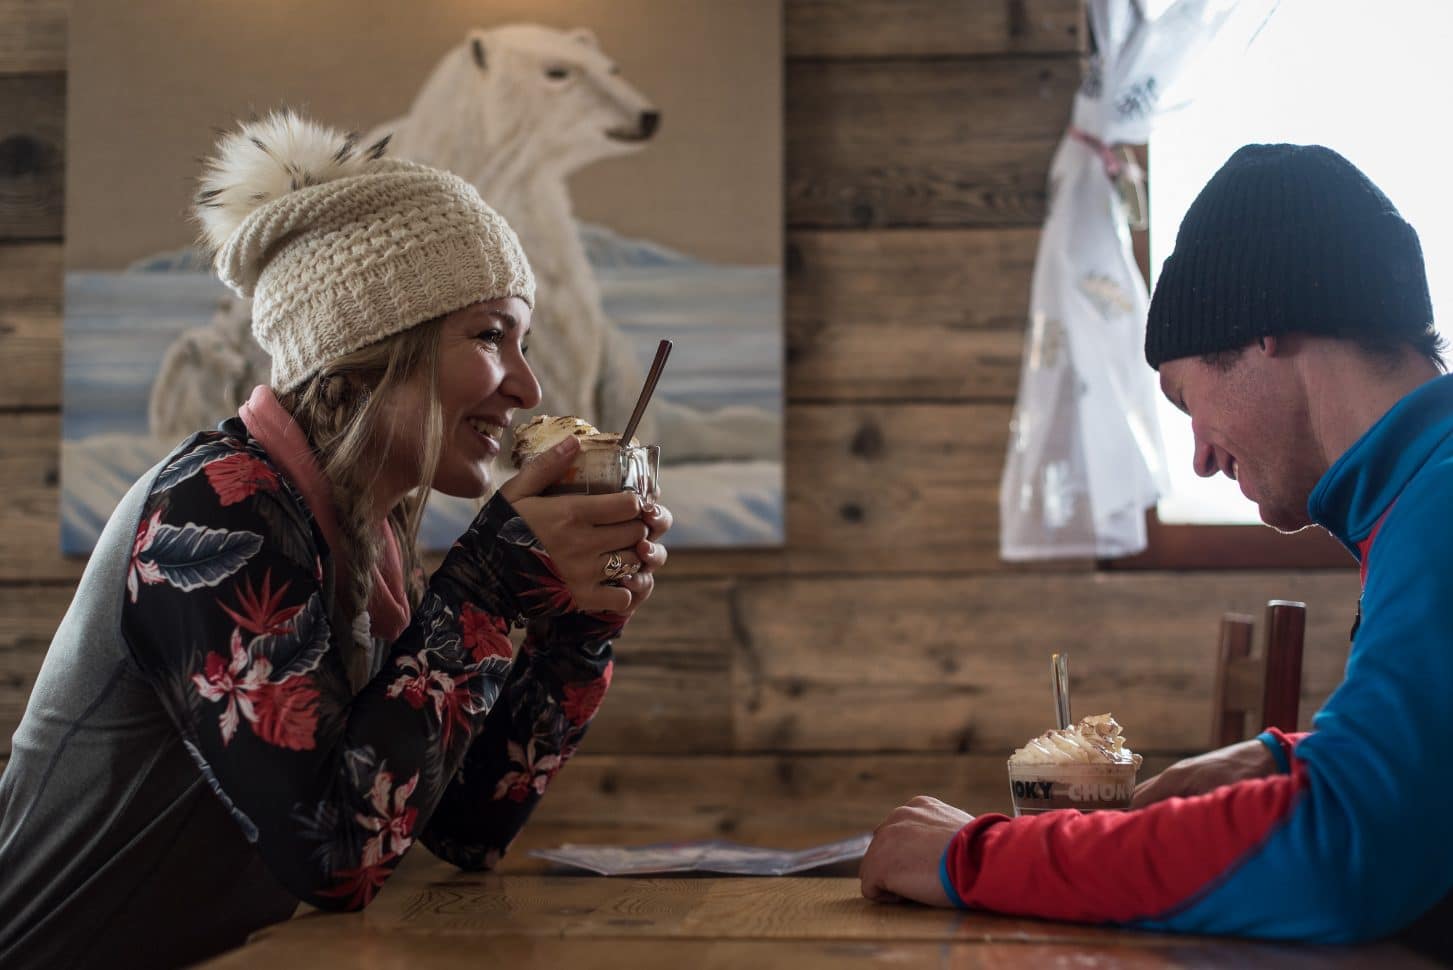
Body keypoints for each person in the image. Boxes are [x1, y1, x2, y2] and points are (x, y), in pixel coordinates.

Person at [0, 111, 671, 968]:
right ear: (366, 351)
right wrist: (496, 583)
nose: (527, 386)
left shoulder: (374, 532)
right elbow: (338, 857)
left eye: (524, 341)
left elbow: (462, 823)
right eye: (489, 334)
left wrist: (574, 621)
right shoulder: (215, 508)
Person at [859, 144, 1453, 951]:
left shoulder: (1439, 502)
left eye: (1185, 400)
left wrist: (971, 858)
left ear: (1263, 329)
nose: (1201, 455)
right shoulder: (1419, 492)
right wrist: (1288, 762)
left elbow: (1339, 852)